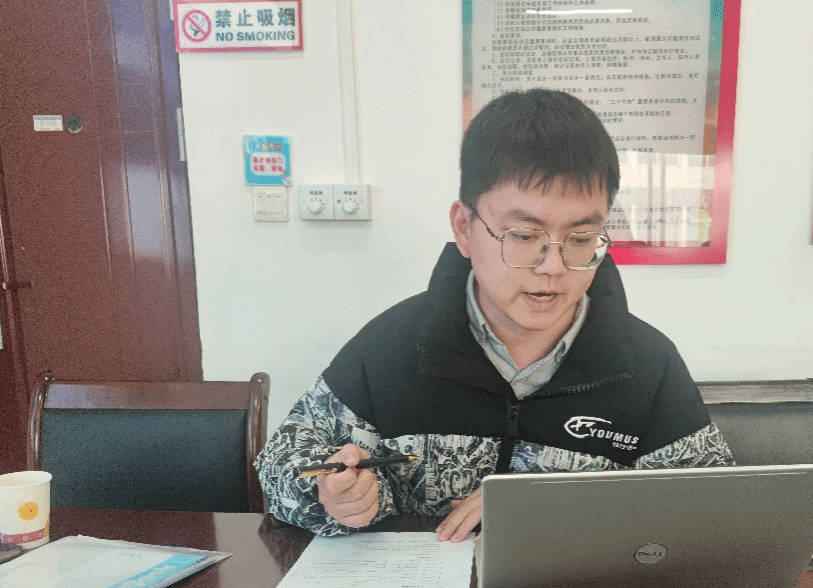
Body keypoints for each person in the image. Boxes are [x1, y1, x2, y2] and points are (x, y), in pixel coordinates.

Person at [255, 88, 733, 541]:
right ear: (465, 227)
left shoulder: (646, 364)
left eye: (582, 238)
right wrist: (333, 497)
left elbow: (714, 509)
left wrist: (549, 504)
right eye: (524, 236)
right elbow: (279, 466)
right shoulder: (392, 346)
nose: (553, 267)